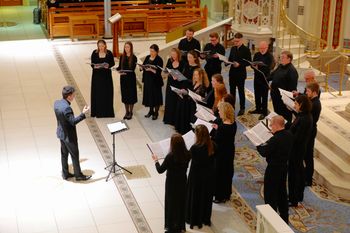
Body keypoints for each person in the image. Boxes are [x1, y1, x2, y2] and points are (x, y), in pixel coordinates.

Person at [257, 115, 293, 224]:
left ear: (277, 125)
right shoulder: (289, 134)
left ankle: (272, 222)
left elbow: (264, 152)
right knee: (281, 193)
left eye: (272, 124)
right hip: (283, 167)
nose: (271, 126)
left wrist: (257, 144)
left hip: (273, 169)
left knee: (270, 195)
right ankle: (284, 218)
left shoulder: (275, 139)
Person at [152, 134, 191, 233]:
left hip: (171, 183)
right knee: (181, 204)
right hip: (182, 181)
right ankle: (180, 227)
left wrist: (156, 161)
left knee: (171, 204)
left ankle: (171, 228)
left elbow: (160, 170)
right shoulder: (187, 154)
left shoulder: (170, 156)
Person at [54, 86, 92, 181]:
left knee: (64, 154)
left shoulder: (57, 103)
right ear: (69, 96)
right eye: (73, 95)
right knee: (74, 155)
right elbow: (73, 121)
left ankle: (65, 173)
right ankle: (78, 175)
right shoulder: (67, 108)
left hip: (61, 134)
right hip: (69, 136)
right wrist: (83, 113)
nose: (74, 96)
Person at [186, 125, 215, 229]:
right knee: (205, 197)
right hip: (208, 176)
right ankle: (204, 218)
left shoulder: (194, 148)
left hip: (196, 177)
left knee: (195, 197)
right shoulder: (213, 145)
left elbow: (187, 160)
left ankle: (193, 219)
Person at [288, 95, 313, 207]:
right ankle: (296, 195)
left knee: (294, 173)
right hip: (298, 148)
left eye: (296, 104)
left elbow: (296, 137)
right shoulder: (304, 115)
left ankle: (294, 199)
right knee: (297, 171)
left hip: (297, 150)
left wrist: (285, 136)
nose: (294, 105)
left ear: (301, 105)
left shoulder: (304, 119)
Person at [212, 102, 237, 203]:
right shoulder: (233, 123)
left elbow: (217, 140)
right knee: (227, 172)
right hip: (229, 150)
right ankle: (226, 194)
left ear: (224, 112)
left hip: (221, 153)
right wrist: (218, 128)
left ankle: (219, 196)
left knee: (219, 173)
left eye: (220, 110)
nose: (218, 111)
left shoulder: (222, 128)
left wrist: (215, 133)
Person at [268, 51, 298, 123]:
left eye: (283, 57)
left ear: (289, 59)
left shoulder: (292, 71)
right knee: (277, 113)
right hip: (275, 95)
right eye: (280, 57)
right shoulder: (280, 66)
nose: (281, 59)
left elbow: (292, 89)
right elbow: (272, 76)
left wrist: (288, 101)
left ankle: (286, 130)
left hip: (284, 99)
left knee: (285, 116)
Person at [174, 50, 200, 134]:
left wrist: (185, 79)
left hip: (190, 89)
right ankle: (179, 127)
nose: (188, 59)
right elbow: (183, 74)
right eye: (188, 57)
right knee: (180, 106)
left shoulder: (197, 68)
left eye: (190, 57)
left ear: (195, 58)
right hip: (183, 87)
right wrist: (178, 76)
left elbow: (196, 81)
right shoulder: (186, 65)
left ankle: (185, 128)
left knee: (186, 108)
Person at [228, 32, 252, 116]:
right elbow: (230, 58)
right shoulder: (233, 48)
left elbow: (249, 62)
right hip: (232, 73)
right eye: (234, 41)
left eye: (237, 41)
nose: (235, 43)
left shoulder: (246, 50)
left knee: (241, 91)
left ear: (241, 40)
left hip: (241, 74)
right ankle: (232, 106)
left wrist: (240, 64)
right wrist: (227, 62)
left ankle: (242, 108)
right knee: (232, 91)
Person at [249, 41, 274, 120]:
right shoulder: (256, 54)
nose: (262, 50)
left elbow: (269, 68)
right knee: (257, 94)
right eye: (260, 48)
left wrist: (259, 68)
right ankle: (258, 109)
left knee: (264, 96)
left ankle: (264, 112)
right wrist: (254, 67)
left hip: (265, 78)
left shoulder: (270, 56)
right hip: (256, 78)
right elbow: (252, 64)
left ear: (267, 47)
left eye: (263, 48)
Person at [90, 39, 115, 118]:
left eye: (102, 46)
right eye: (99, 46)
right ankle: (97, 112)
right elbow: (92, 64)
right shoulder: (94, 53)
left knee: (106, 93)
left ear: (105, 45)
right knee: (98, 93)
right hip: (97, 77)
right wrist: (95, 66)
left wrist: (108, 66)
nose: (101, 47)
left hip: (106, 77)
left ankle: (107, 112)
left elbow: (112, 63)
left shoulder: (109, 53)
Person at [304, 82, 322, 186]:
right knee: (306, 155)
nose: (306, 93)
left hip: (310, 131)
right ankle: (306, 176)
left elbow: (307, 117)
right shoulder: (312, 101)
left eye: (308, 91)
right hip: (309, 130)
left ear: (314, 92)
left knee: (308, 156)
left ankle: (308, 179)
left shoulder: (315, 104)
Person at [163, 48, 185, 125]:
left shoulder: (182, 62)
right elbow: (166, 70)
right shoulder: (170, 60)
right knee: (169, 101)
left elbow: (183, 75)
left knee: (176, 102)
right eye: (172, 55)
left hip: (178, 84)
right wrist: (168, 73)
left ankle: (175, 121)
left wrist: (177, 76)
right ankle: (168, 119)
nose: (173, 56)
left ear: (178, 54)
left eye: (174, 55)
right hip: (170, 83)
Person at [142, 44, 164, 120]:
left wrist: (151, 69)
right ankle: (150, 111)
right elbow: (144, 65)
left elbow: (159, 71)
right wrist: (142, 68)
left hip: (155, 81)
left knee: (156, 97)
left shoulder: (159, 59)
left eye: (153, 51)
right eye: (150, 51)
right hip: (147, 80)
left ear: (157, 51)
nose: (151, 52)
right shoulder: (148, 57)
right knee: (149, 96)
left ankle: (156, 112)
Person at [116, 41, 137, 120]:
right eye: (125, 47)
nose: (126, 49)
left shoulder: (134, 57)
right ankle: (126, 112)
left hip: (131, 79)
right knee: (125, 95)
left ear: (131, 48)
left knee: (131, 95)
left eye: (128, 47)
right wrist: (117, 70)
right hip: (123, 79)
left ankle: (131, 112)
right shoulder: (122, 56)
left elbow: (132, 69)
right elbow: (120, 67)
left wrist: (124, 71)